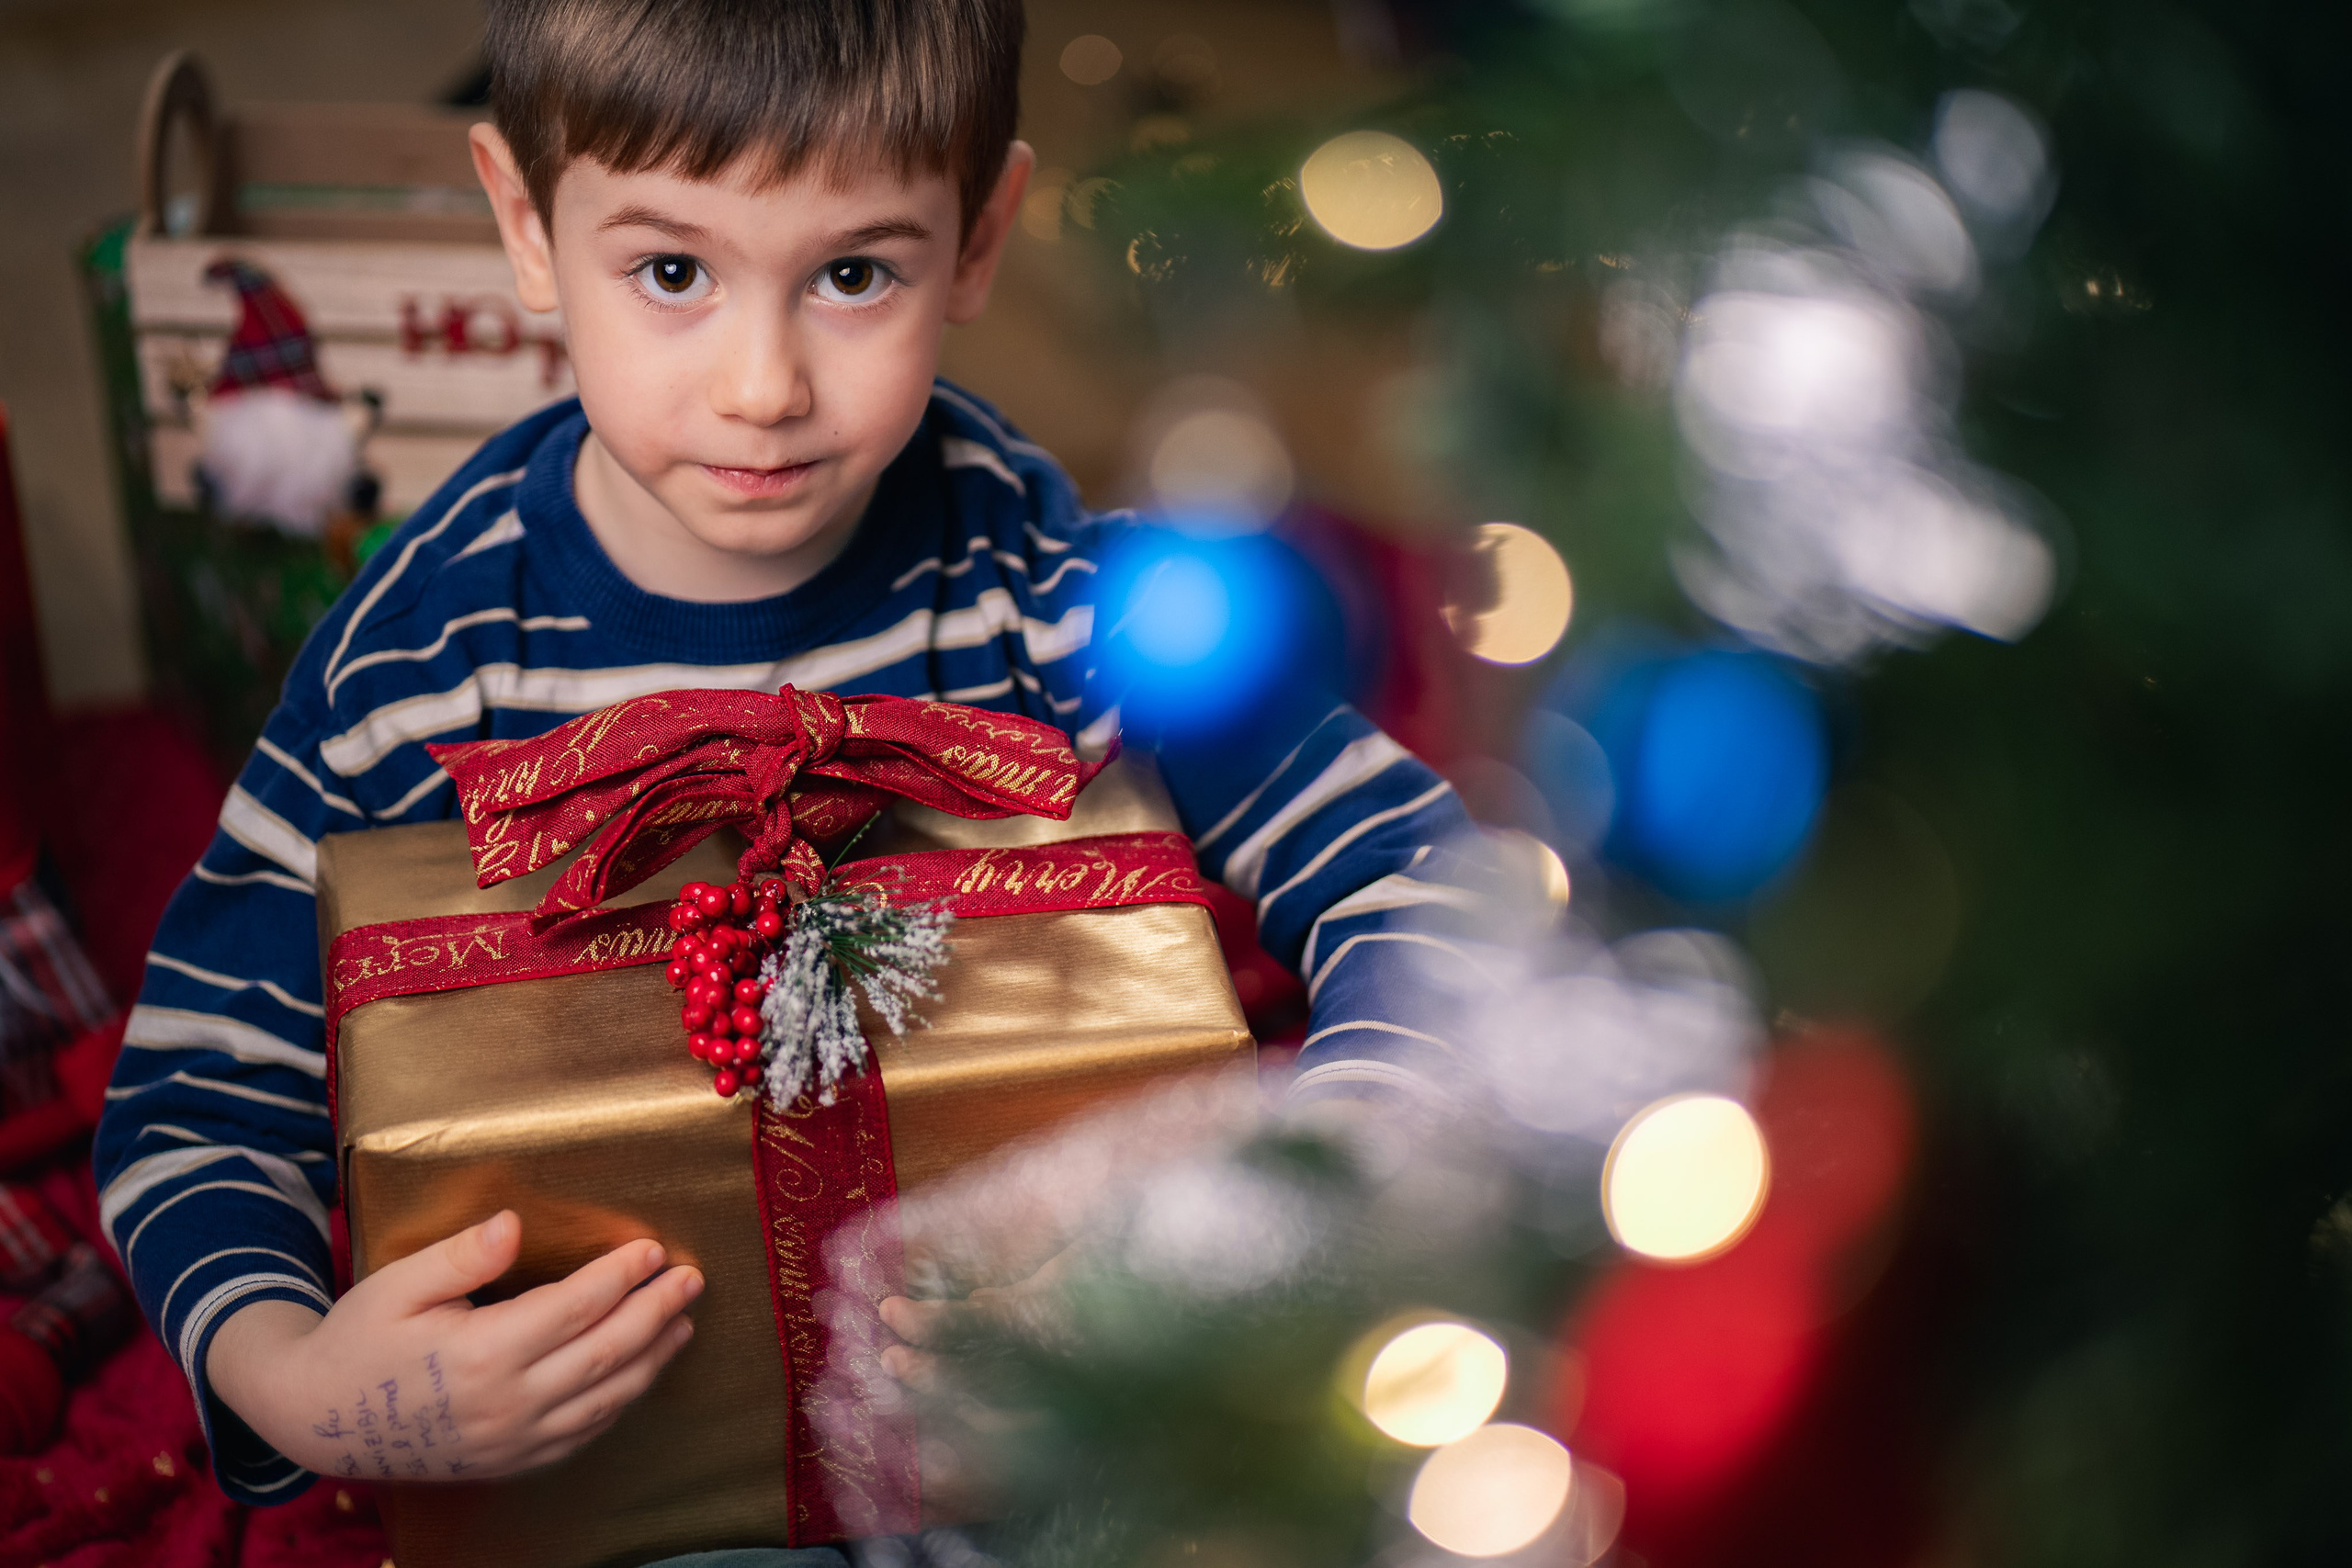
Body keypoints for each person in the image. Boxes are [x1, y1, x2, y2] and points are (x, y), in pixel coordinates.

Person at [93, 0, 1471, 1557]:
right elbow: (200, 1094)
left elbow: (1432, 894)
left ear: (979, 238)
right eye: (672, 271)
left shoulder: (1063, 604)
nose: (764, 385)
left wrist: (1259, 1224)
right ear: (525, 227)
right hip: (626, 1474)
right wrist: (305, 1385)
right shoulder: (419, 671)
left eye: (854, 273)